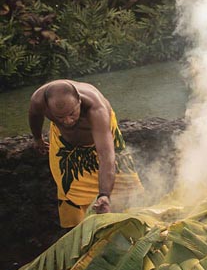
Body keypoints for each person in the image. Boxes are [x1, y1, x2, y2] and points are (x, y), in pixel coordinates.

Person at [29, 79, 144, 228]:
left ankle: (132, 224)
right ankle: (80, 232)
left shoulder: (96, 108)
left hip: (102, 141)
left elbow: (106, 155)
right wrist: (37, 139)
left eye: (72, 114)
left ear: (79, 101)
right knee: (69, 189)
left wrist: (104, 195)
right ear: (49, 109)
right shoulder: (38, 101)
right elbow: (33, 115)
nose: (68, 121)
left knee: (126, 184)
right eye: (60, 117)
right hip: (67, 146)